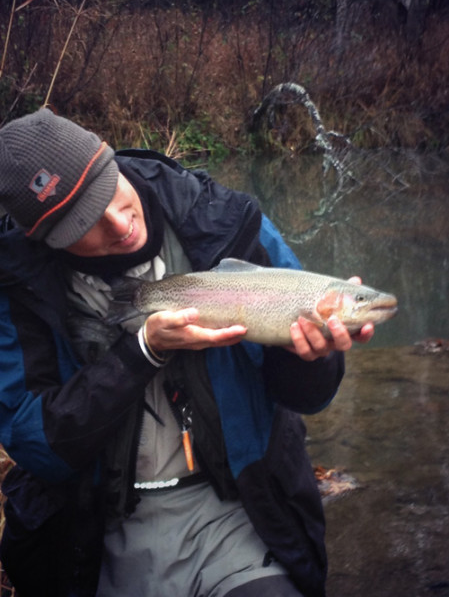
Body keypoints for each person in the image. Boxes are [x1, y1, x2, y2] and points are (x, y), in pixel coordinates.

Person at [0, 108, 374, 597]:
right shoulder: (18, 287)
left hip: (235, 514)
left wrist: (313, 357)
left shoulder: (226, 222)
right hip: (97, 529)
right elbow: (38, 447)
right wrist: (142, 353)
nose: (118, 223)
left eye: (108, 190)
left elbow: (306, 398)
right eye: (83, 223)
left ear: (111, 159)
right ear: (44, 239)